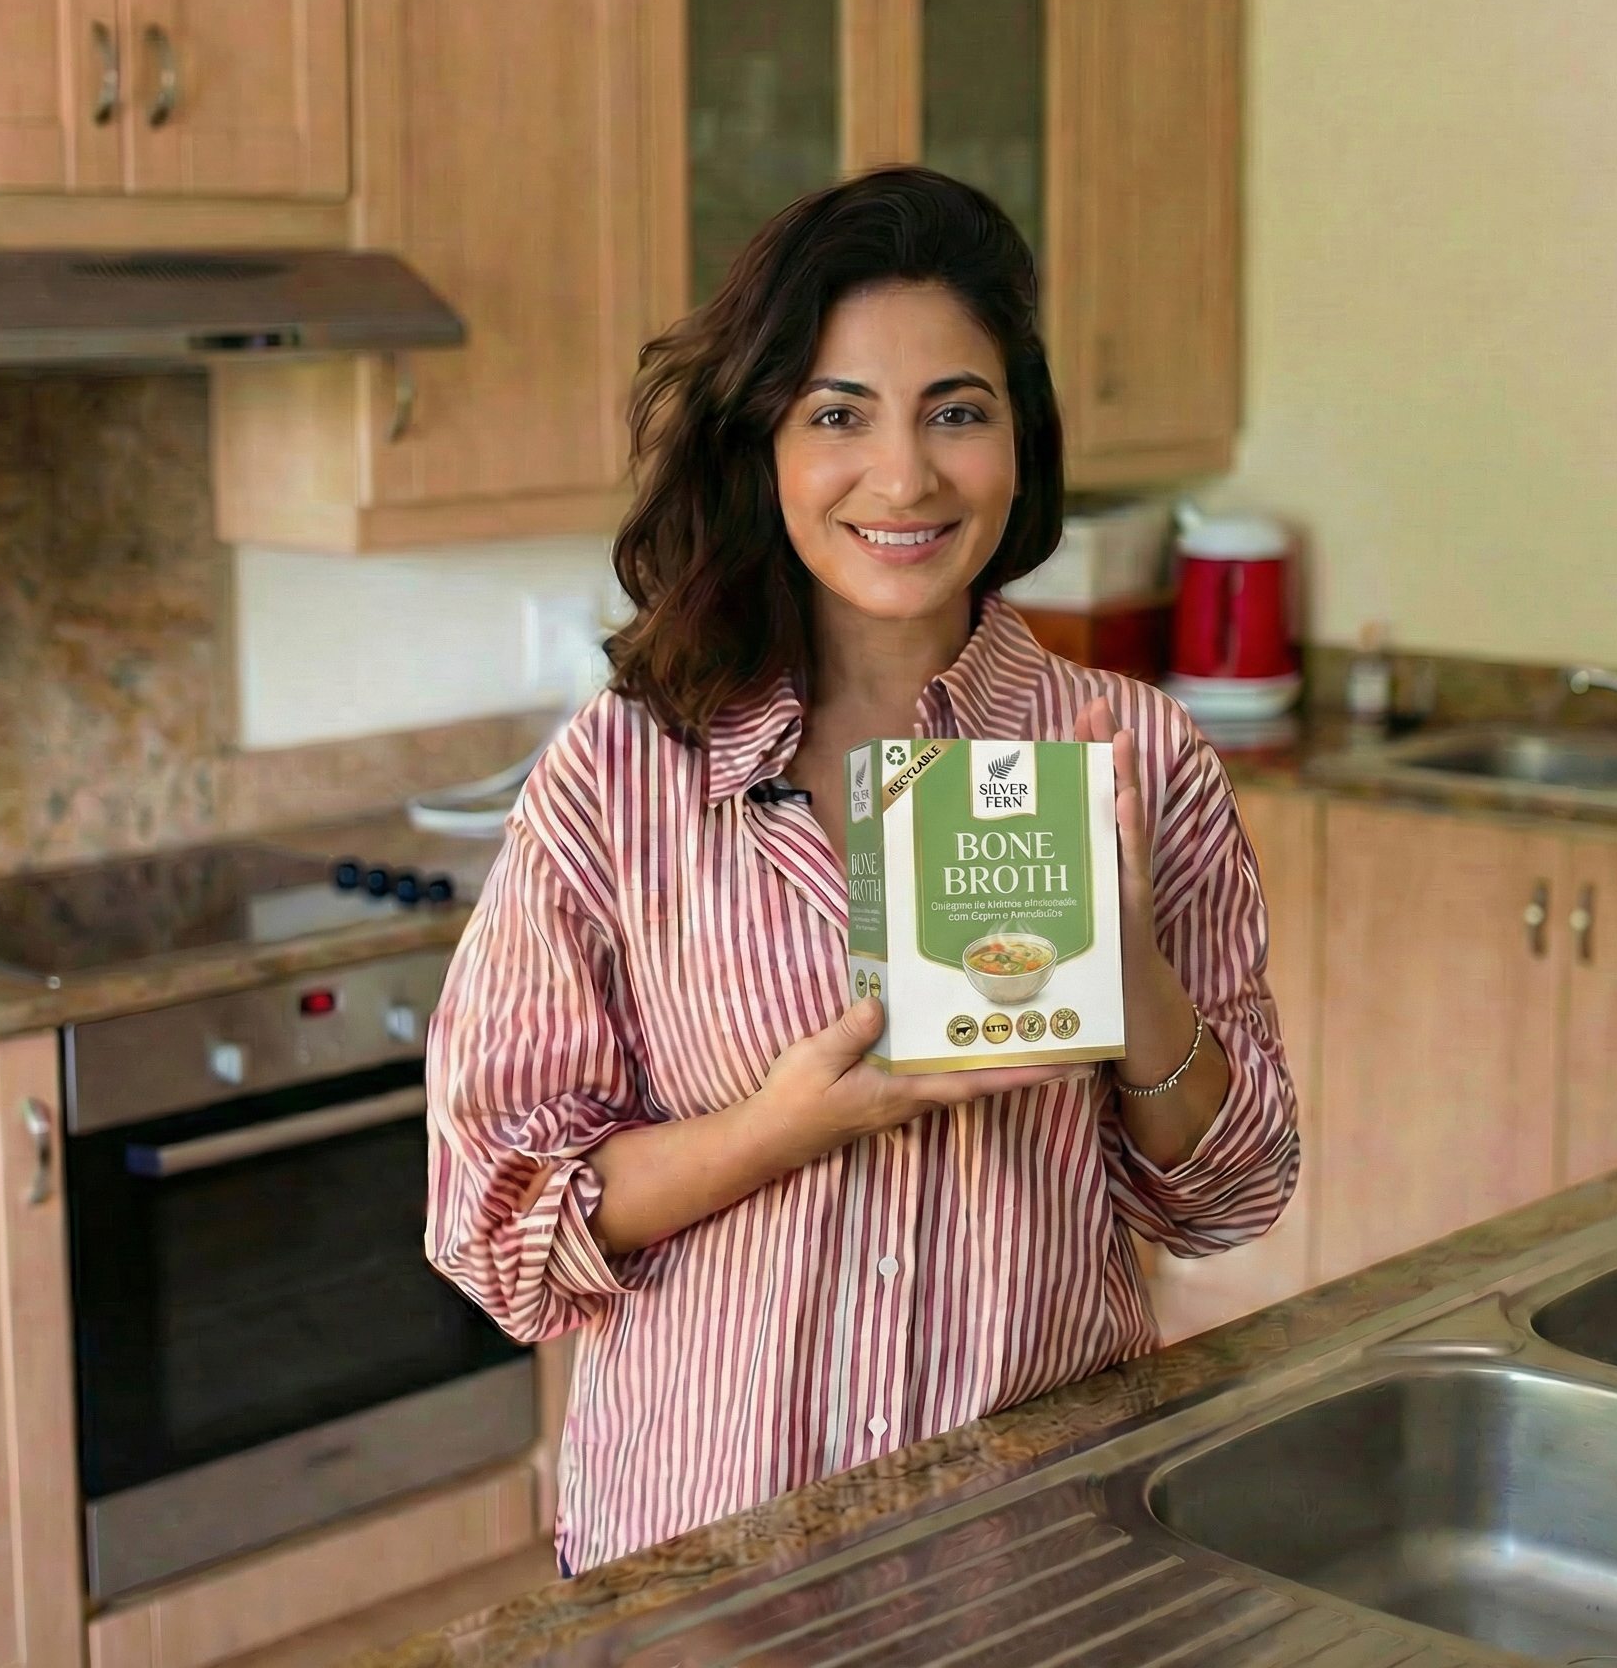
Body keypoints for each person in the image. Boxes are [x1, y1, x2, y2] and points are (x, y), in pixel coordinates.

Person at [425, 167, 1299, 1577]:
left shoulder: (1133, 753)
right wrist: (777, 1129)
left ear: (1020, 440)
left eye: (957, 411)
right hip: (706, 1558)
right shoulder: (627, 772)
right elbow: (497, 1224)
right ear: (762, 442)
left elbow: (1233, 1197)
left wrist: (1131, 976)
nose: (904, 477)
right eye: (839, 415)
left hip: (1034, 1550)